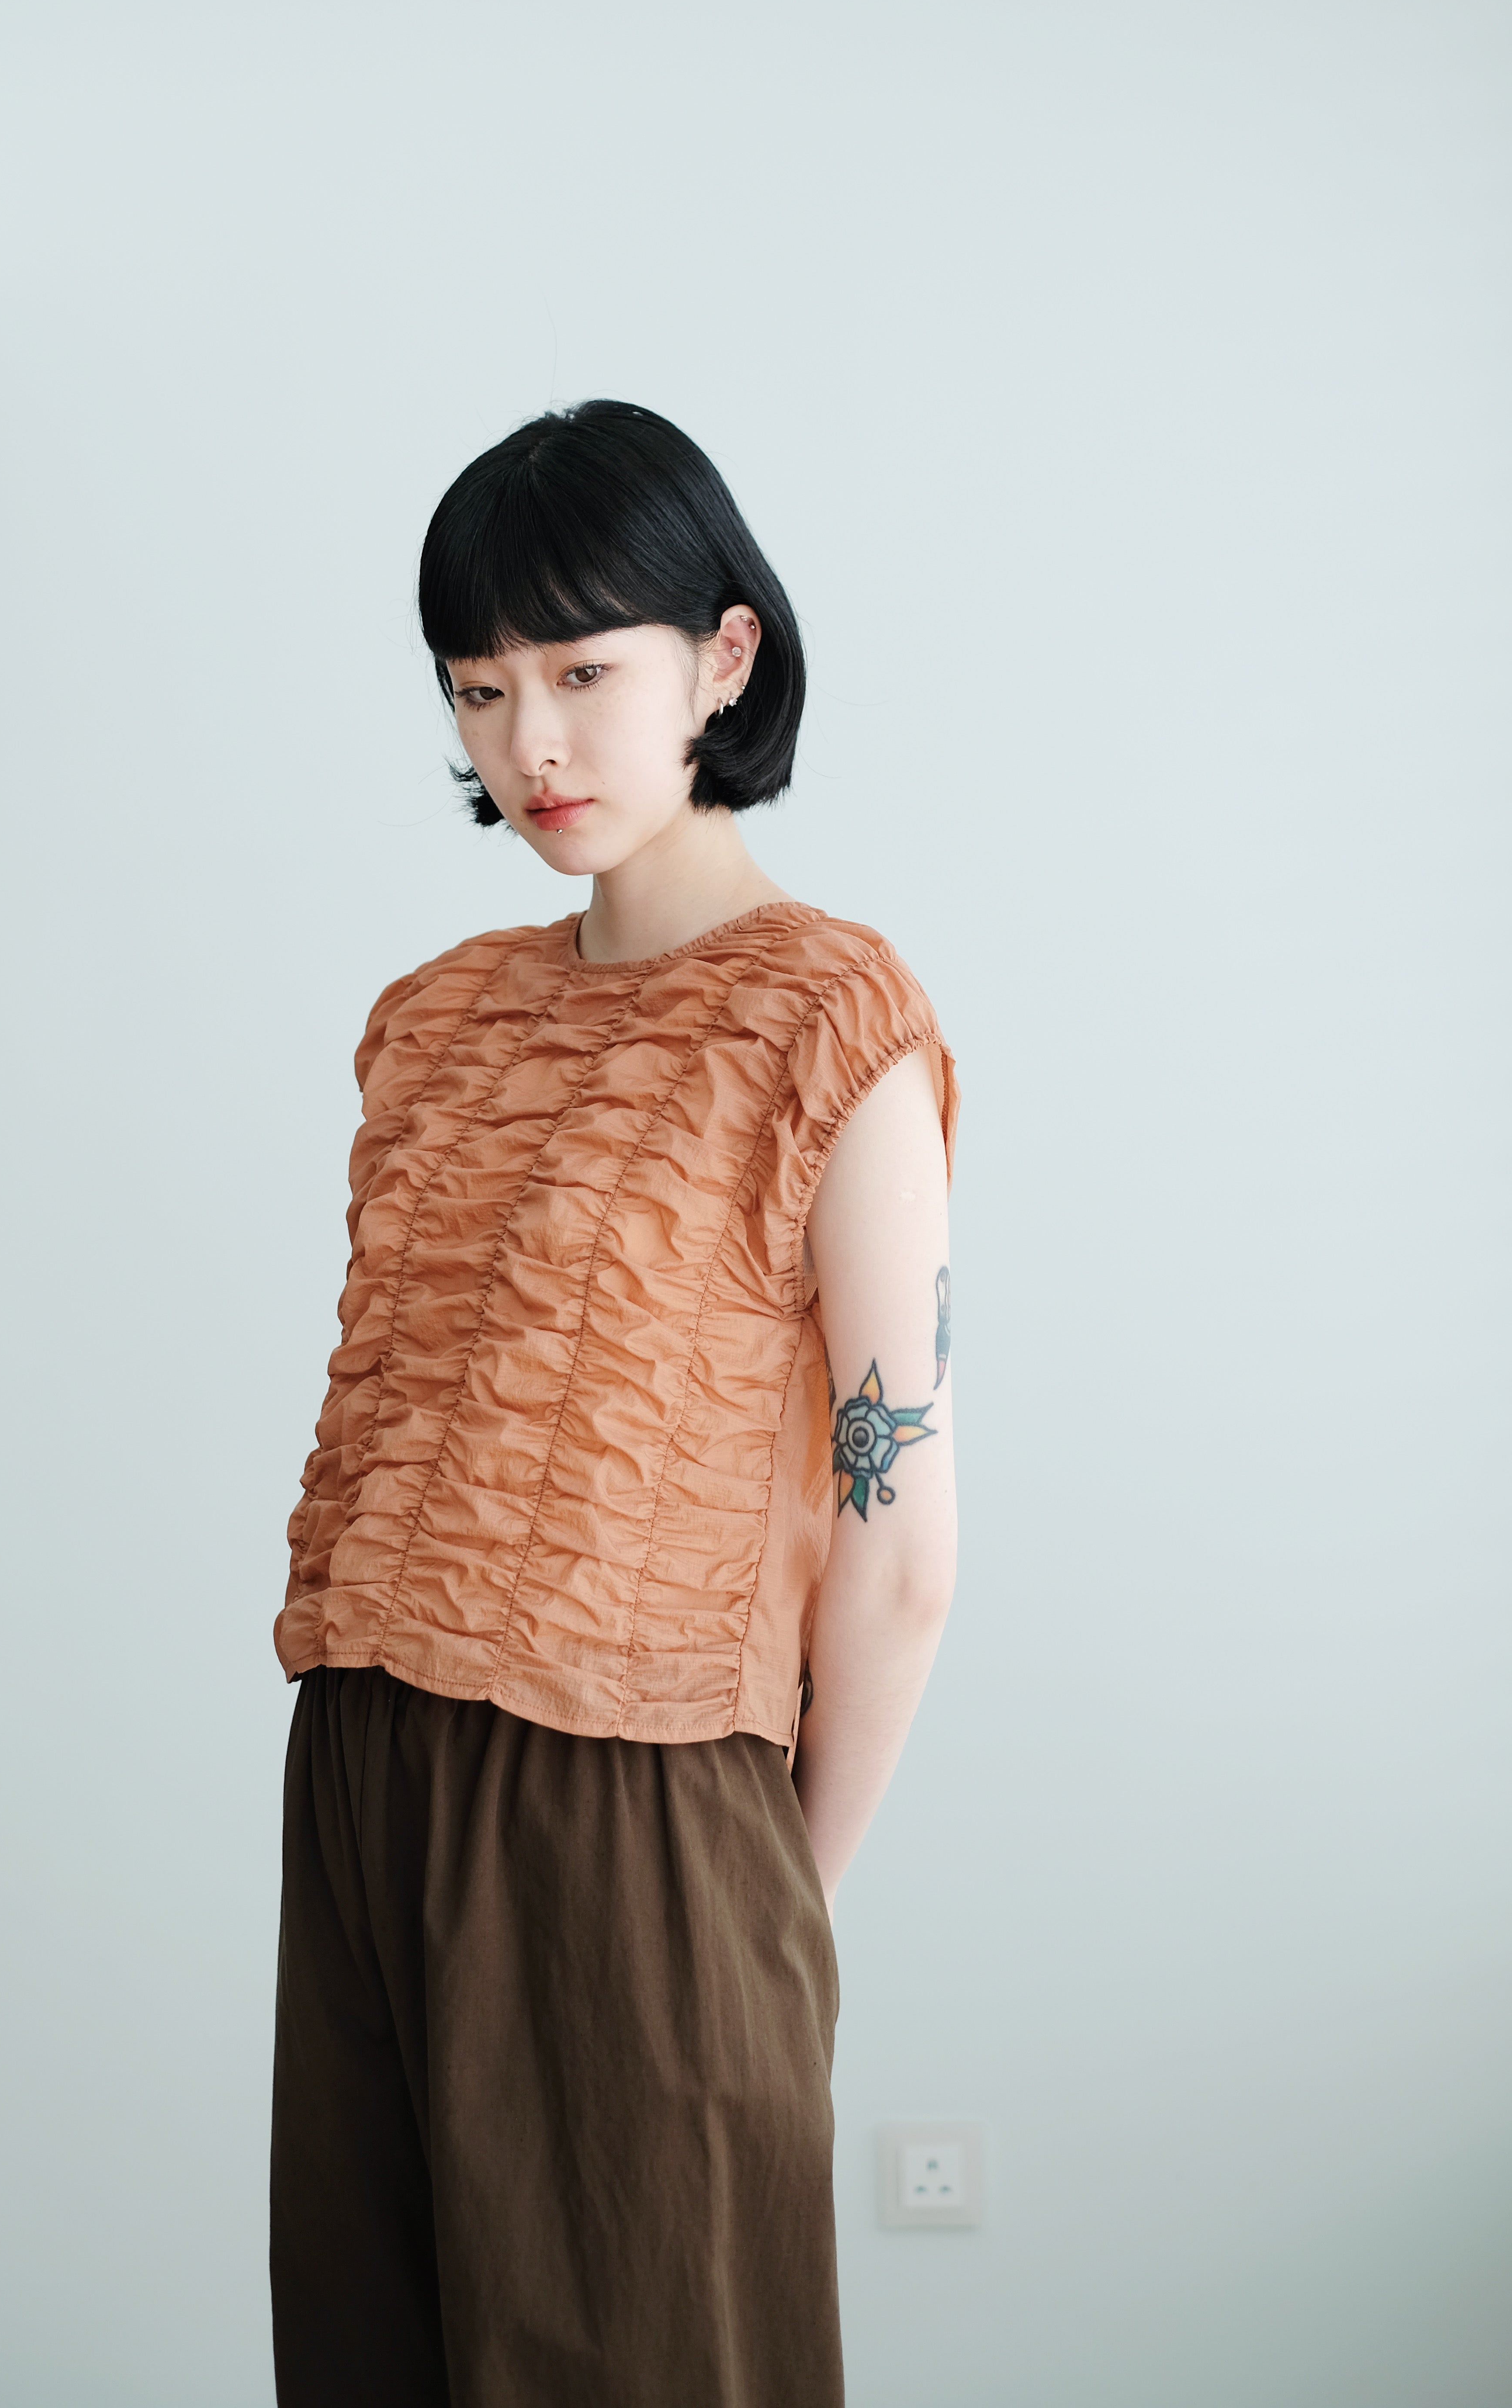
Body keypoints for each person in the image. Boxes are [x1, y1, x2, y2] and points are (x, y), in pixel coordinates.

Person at [269, 400, 960, 2408]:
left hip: (642, 1802)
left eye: (583, 673)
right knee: (373, 2354)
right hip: (363, 1765)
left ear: (721, 659)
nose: (532, 745)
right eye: (480, 689)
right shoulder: (433, 1022)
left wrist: (774, 1909)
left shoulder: (829, 1018)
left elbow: (899, 1542)